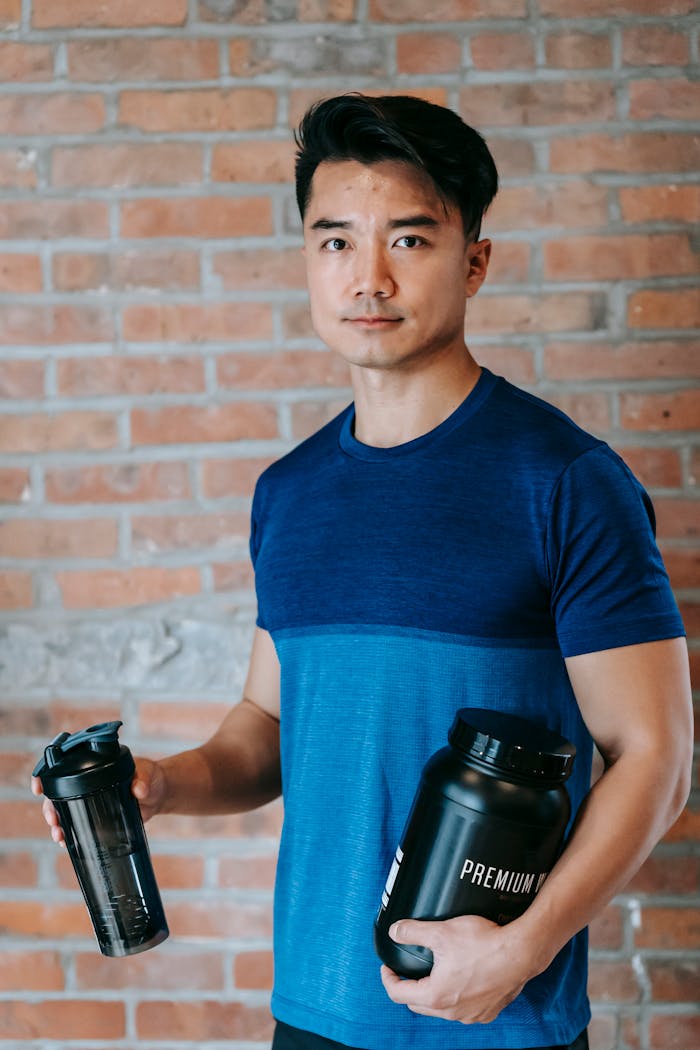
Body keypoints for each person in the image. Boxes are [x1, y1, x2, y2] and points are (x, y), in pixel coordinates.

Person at [33, 94, 693, 1050]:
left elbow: (657, 760)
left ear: (475, 259)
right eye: (335, 241)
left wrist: (523, 951)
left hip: (496, 1019)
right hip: (311, 1013)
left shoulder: (566, 481)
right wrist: (162, 784)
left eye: (411, 241)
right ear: (307, 257)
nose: (368, 278)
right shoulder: (289, 493)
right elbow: (266, 729)